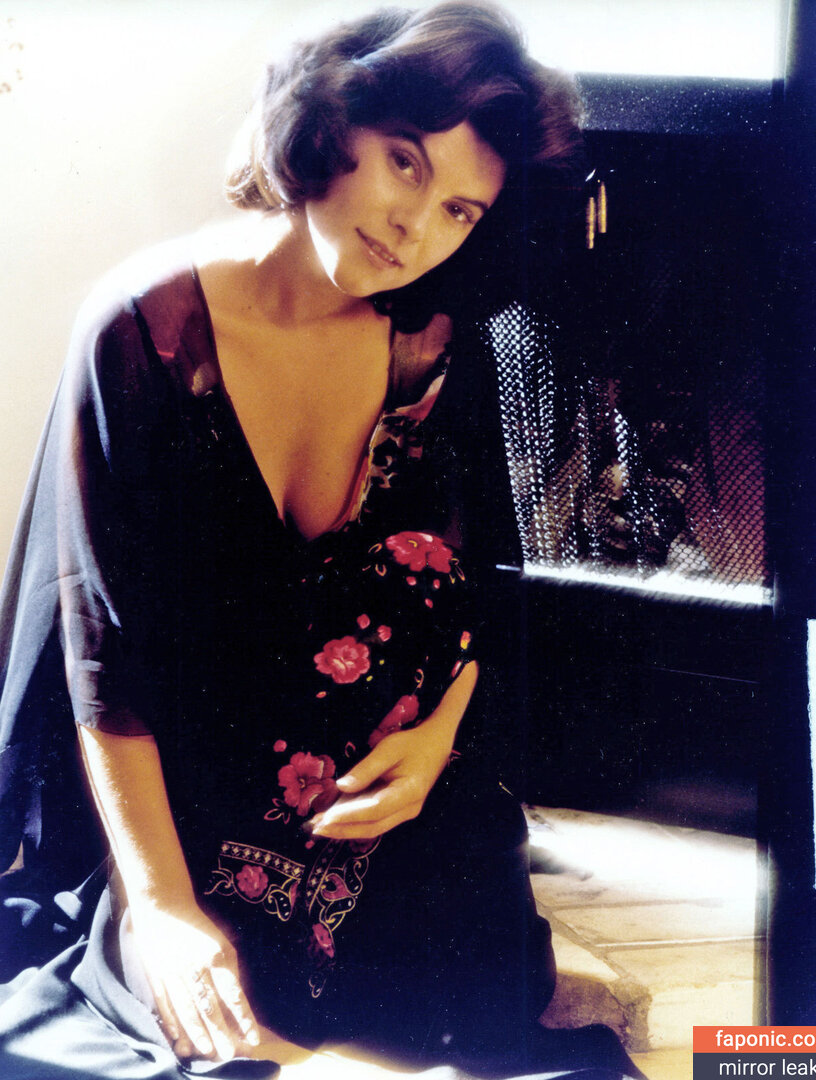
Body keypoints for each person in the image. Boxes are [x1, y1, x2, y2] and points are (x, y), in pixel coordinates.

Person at [0, 4, 643, 1077]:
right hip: (193, 812)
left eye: (459, 208)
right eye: (404, 162)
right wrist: (159, 907)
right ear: (330, 124)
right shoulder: (140, 331)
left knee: (466, 1033)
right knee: (185, 1039)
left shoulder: (439, 345)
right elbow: (100, 660)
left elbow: (469, 595)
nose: (413, 227)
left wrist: (434, 746)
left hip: (395, 799)